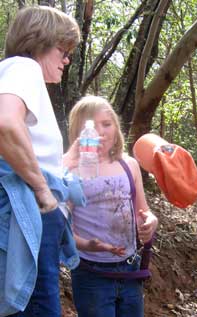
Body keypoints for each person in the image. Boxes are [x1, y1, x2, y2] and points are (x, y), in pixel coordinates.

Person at [0, 5, 80, 317]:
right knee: (37, 307)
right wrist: (42, 189)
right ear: (39, 42)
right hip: (28, 212)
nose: (66, 60)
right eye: (62, 50)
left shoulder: (14, 73)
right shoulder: (23, 67)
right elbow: (6, 124)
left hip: (29, 212)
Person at [65, 95, 158, 317]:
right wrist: (90, 244)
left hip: (130, 267)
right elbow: (62, 228)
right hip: (91, 273)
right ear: (79, 133)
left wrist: (151, 221)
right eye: (91, 126)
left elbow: (142, 211)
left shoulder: (129, 165)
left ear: (116, 127)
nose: (101, 132)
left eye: (106, 124)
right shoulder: (70, 171)